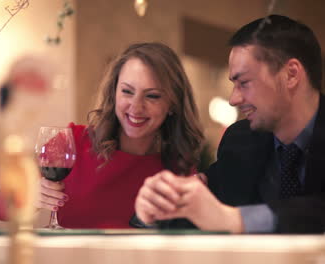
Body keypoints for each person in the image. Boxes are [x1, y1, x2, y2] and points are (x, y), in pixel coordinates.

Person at [135, 15, 325, 234]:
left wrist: (236, 219)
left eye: (244, 83)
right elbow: (205, 213)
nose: (234, 99)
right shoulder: (240, 140)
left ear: (291, 74)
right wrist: (157, 209)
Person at [0, 42, 204, 228]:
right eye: (127, 91)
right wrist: (30, 196)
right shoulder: (72, 141)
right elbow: (1, 208)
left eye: (152, 96)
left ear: (172, 104)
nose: (136, 107)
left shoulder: (180, 168)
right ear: (114, 92)